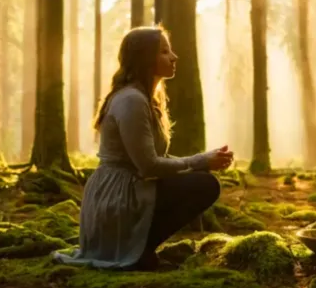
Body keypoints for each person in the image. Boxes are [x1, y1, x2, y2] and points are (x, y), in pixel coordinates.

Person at [53, 26, 233, 271]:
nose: (174, 57)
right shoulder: (132, 100)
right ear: (145, 58)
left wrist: (204, 161)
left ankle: (141, 249)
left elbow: (154, 158)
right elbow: (149, 165)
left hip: (131, 188)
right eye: (164, 52)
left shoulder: (146, 99)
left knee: (201, 180)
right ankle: (136, 251)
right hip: (118, 194)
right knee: (204, 184)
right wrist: (201, 160)